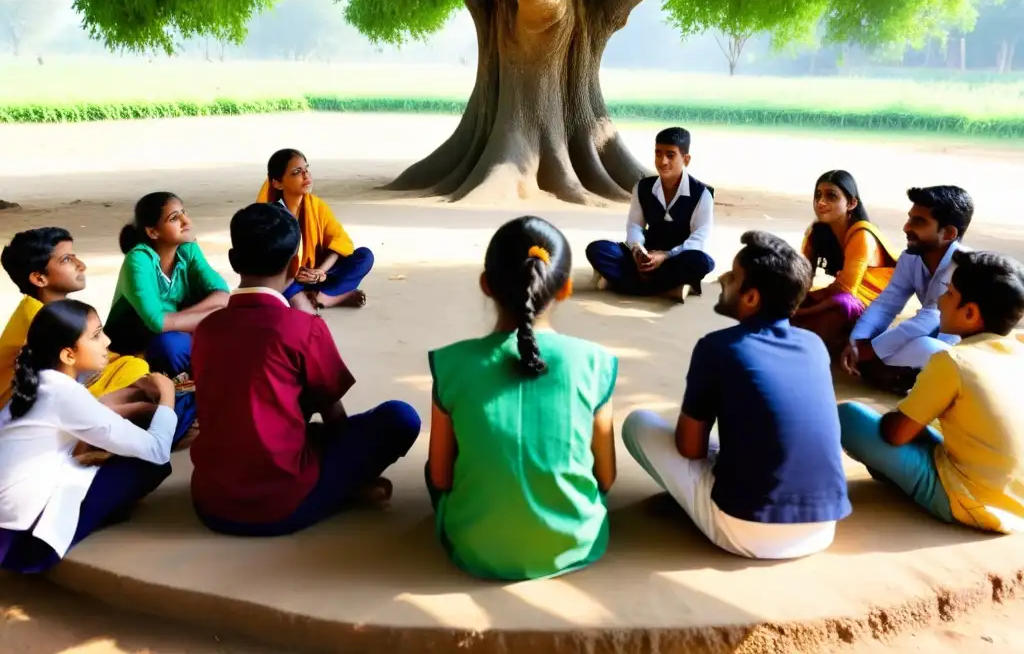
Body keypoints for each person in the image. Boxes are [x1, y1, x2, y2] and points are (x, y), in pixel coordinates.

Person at [189, 203, 420, 537]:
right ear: (296, 265)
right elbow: (333, 413)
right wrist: (356, 470)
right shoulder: (303, 328)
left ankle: (338, 487)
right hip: (282, 505)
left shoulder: (207, 329)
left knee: (274, 425)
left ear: (233, 260)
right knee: (399, 418)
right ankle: (342, 492)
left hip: (211, 503)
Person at [622, 231, 851, 560]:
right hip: (823, 528)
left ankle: (704, 505)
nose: (723, 278)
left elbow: (690, 449)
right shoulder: (814, 345)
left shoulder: (717, 347)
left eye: (732, 275)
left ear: (752, 298)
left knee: (638, 424)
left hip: (746, 531)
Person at [427, 216, 618, 580]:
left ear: (486, 285)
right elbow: (605, 477)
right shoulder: (596, 362)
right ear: (564, 289)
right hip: (574, 545)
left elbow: (440, 477)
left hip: (474, 546)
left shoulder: (451, 362)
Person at [838, 251, 1024, 533]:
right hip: (1015, 501)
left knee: (849, 417)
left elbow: (895, 434)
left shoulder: (953, 361)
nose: (940, 300)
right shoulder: (1017, 352)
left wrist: (900, 416)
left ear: (970, 313)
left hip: (969, 501)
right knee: (924, 428)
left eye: (949, 294)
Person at [0, 300, 176, 573]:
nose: (106, 341)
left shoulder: (38, 382)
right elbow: (156, 450)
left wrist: (136, 395)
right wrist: (168, 395)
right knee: (148, 464)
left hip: (11, 534)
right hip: (27, 546)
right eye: (96, 336)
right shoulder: (64, 393)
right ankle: (106, 511)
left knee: (95, 455)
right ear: (68, 355)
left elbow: (88, 410)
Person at [841, 186, 974, 396]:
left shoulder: (964, 266)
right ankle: (899, 375)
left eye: (919, 222)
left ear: (948, 233)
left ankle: (897, 375)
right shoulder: (910, 258)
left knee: (924, 346)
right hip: (931, 339)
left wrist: (872, 349)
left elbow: (932, 316)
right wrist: (859, 340)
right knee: (872, 349)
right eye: (910, 218)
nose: (906, 227)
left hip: (963, 347)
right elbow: (886, 304)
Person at [0, 227, 149, 408]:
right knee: (135, 373)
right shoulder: (42, 318)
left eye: (74, 256)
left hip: (63, 382)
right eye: (67, 260)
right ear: (39, 279)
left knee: (134, 367)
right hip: (23, 402)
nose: (81, 265)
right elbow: (62, 377)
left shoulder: (49, 309)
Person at [105, 192, 229, 379]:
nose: (186, 222)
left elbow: (223, 295)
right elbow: (156, 323)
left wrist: (176, 320)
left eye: (184, 213)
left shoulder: (188, 249)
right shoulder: (138, 259)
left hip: (178, 333)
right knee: (171, 345)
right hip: (135, 349)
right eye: (174, 218)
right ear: (153, 232)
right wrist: (212, 315)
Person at [586, 127, 714, 302]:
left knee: (701, 261)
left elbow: (699, 239)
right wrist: (638, 250)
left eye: (670, 155)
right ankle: (670, 289)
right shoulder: (642, 188)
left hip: (675, 258)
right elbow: (634, 226)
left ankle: (623, 284)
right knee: (598, 249)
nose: (662, 161)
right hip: (644, 257)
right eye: (658, 153)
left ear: (686, 159)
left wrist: (665, 256)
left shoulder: (702, 194)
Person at [793, 171, 899, 355]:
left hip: (869, 307)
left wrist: (802, 311)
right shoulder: (817, 232)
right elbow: (803, 279)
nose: (821, 202)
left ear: (851, 203)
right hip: (839, 297)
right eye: (818, 195)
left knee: (841, 305)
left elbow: (846, 291)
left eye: (831, 196)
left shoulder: (862, 234)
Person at [256, 149, 374, 313]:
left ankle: (318, 298)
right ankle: (332, 297)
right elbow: (265, 264)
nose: (306, 176)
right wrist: (295, 276)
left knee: (364, 257)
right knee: (276, 291)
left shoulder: (317, 206)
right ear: (277, 183)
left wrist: (320, 272)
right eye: (297, 172)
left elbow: (338, 243)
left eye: (306, 169)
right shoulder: (269, 215)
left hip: (315, 274)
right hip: (287, 279)